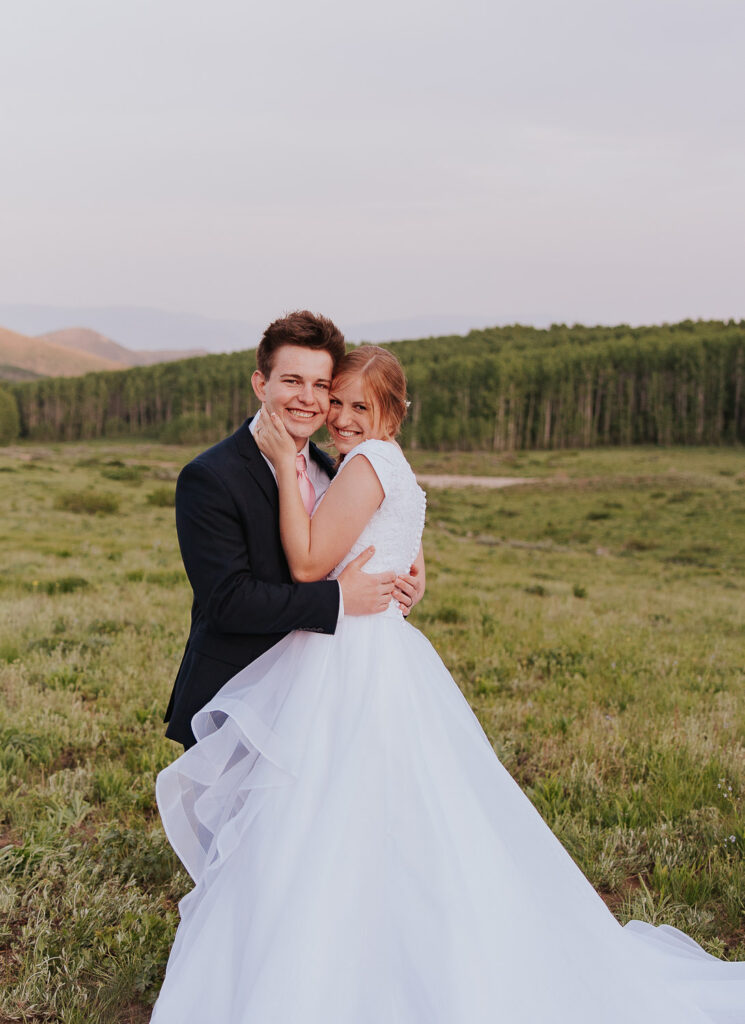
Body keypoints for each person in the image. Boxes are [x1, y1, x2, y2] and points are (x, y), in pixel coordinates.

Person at [152, 346, 744, 1022]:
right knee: (377, 800)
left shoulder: (360, 464)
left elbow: (312, 563)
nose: (339, 416)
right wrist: (401, 572)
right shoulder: (385, 465)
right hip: (375, 649)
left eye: (356, 405)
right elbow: (409, 561)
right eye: (334, 400)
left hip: (349, 657)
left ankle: (343, 950)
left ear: (392, 415)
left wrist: (289, 473)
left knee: (330, 801)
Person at [163, 312, 422, 748]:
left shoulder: (337, 467)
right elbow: (228, 602)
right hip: (236, 698)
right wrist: (341, 598)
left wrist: (403, 581)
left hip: (325, 696)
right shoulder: (209, 476)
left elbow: (384, 526)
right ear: (261, 385)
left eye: (321, 386)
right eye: (292, 381)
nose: (309, 399)